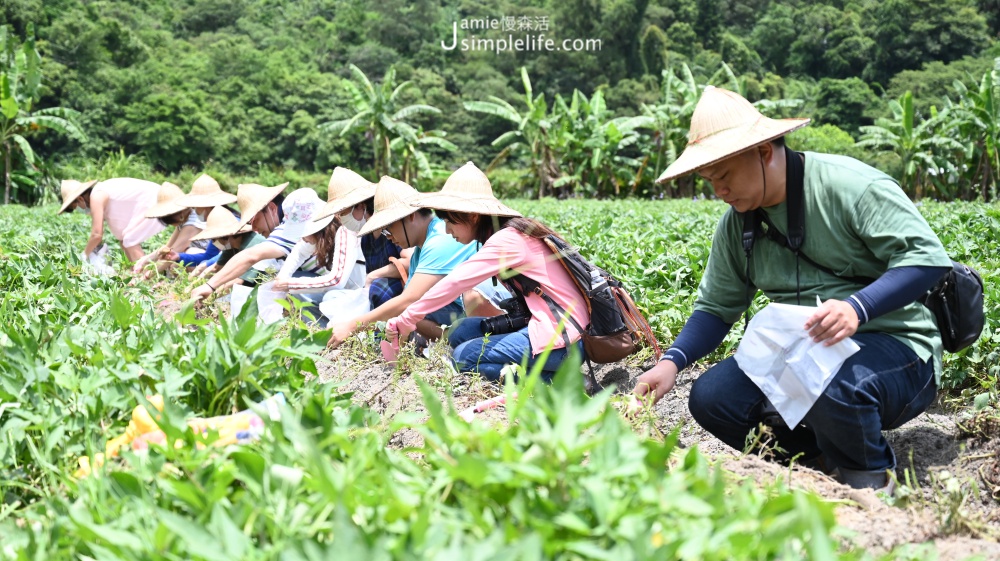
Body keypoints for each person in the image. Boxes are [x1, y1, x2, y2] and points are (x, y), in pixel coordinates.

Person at [633, 87, 952, 490]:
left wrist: (858, 307)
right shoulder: (738, 224)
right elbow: (716, 307)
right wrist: (672, 361)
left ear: (765, 151)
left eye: (726, 175)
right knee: (714, 398)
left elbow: (927, 259)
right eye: (710, 180)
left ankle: (870, 479)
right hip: (810, 350)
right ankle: (818, 464)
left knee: (828, 384)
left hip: (899, 346)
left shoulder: (849, 186)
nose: (719, 191)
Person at [384, 162, 587, 381]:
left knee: (463, 357)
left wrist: (408, 317)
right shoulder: (504, 235)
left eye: (450, 221)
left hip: (565, 340)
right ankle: (542, 371)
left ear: (472, 216)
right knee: (461, 330)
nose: (446, 229)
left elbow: (456, 282)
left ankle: (560, 381)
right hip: (546, 328)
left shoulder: (506, 240)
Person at [327, 176, 482, 348]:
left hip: (479, 313)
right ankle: (449, 342)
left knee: (408, 309)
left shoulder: (441, 239)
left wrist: (352, 326)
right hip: (459, 312)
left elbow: (409, 300)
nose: (390, 237)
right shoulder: (420, 250)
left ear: (410, 217)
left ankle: (461, 342)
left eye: (389, 229)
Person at [189, 184, 323, 301]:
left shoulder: (288, 228)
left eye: (254, 220)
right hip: (324, 284)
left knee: (276, 281)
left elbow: (250, 256)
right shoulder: (289, 227)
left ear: (271, 208)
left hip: (330, 287)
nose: (254, 228)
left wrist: (209, 286)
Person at [58, 178, 164, 262]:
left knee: (130, 239)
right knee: (124, 239)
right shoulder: (99, 193)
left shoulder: (97, 196)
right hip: (153, 198)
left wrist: (84, 255)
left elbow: (97, 235)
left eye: (75, 206)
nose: (78, 210)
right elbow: (120, 236)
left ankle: (145, 276)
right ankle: (135, 272)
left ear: (80, 199)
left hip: (155, 199)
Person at [131, 182, 208, 276]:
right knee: (172, 261)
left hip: (211, 260)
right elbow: (168, 248)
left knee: (180, 260)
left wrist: (149, 275)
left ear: (179, 215)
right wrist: (145, 260)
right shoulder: (186, 218)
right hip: (201, 257)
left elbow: (173, 254)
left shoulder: (192, 224)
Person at [187, 207, 267, 293]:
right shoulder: (231, 245)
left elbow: (238, 281)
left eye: (214, 239)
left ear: (226, 237)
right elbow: (215, 267)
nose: (214, 243)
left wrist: (210, 295)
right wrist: (192, 284)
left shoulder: (252, 245)